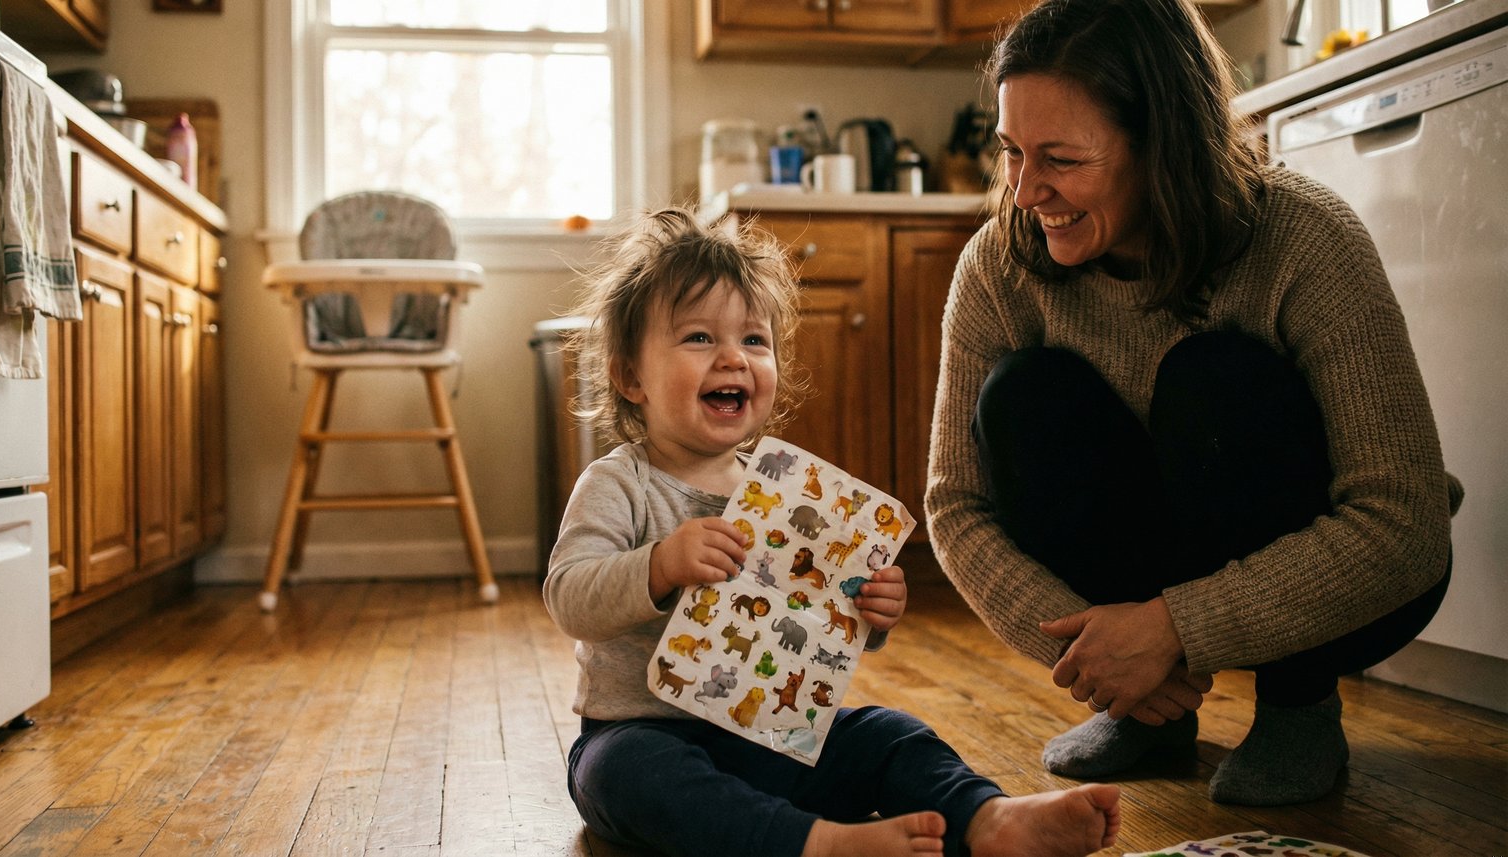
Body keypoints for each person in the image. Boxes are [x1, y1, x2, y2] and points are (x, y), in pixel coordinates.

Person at [924, 0, 1459, 808]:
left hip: (1354, 593)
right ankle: (1147, 714)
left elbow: (1406, 522)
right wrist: (1105, 658)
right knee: (1024, 395)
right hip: (1149, 582)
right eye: (1010, 152)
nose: (1027, 190)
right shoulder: (1001, 265)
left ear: (1160, 149)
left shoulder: (1305, 237)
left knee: (1215, 377)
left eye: (1060, 158)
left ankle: (1298, 703)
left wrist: (1176, 628)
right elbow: (954, 505)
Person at [544, 207, 1122, 857]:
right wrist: (658, 564)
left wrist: (869, 612)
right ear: (629, 377)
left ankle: (988, 816)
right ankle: (817, 843)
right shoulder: (619, 483)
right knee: (622, 775)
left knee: (887, 732)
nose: (734, 355)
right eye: (699, 338)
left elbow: (811, 617)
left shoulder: (784, 490)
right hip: (644, 734)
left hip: (771, 736)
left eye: (754, 340)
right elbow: (568, 594)